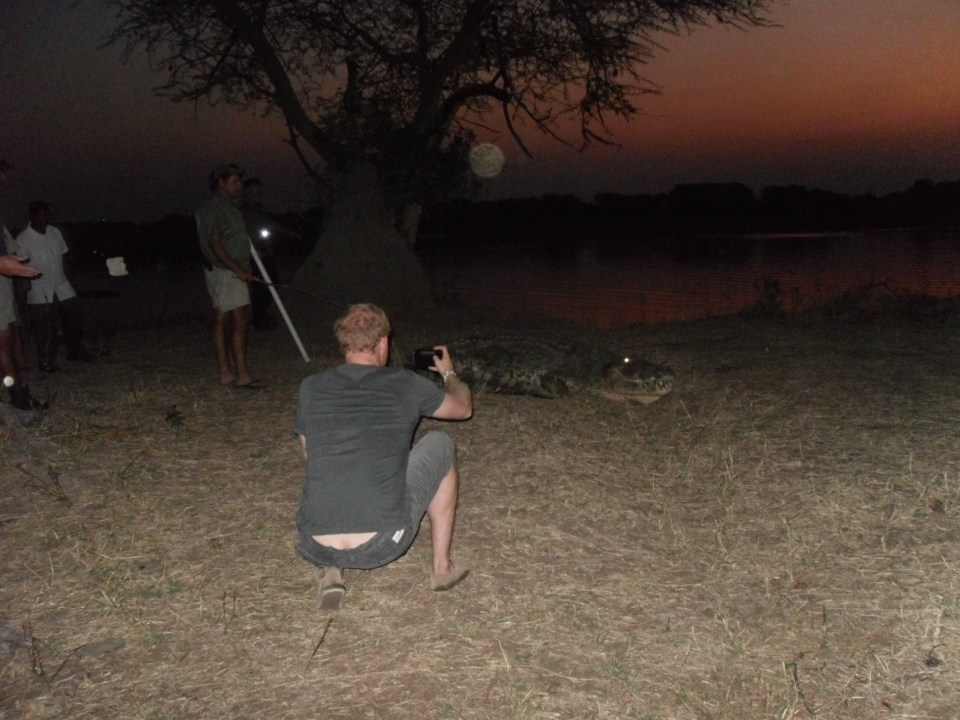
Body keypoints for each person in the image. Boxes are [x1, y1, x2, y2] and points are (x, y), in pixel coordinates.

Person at [294, 303, 473, 611]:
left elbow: (310, 456)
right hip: (382, 543)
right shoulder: (405, 384)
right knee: (440, 443)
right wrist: (449, 374)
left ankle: (332, 568)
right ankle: (442, 570)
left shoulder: (311, 388)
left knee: (330, 467)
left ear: (344, 343)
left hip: (313, 542)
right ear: (383, 343)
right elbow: (463, 408)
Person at [196, 164, 263, 389]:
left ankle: (227, 373)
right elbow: (215, 244)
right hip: (226, 272)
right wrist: (238, 269)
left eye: (239, 181)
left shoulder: (228, 207)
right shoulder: (217, 208)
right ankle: (242, 375)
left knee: (222, 318)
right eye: (234, 181)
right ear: (220, 182)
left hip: (221, 271)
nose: (239, 185)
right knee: (241, 320)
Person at [15, 201, 95, 374]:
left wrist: (71, 280)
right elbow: (19, 270)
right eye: (44, 214)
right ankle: (45, 363)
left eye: (50, 214)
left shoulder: (54, 232)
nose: (48, 218)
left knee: (75, 317)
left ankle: (75, 351)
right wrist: (23, 298)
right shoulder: (23, 239)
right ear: (33, 216)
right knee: (46, 328)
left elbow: (64, 257)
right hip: (39, 287)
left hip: (61, 282)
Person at [0, 160, 41, 409]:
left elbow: (7, 245)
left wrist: (16, 265)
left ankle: (22, 390)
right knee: (1, 342)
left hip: (3, 286)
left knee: (14, 338)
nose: (2, 183)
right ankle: (17, 399)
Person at [240, 177, 301, 331]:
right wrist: (252, 250)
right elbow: (240, 234)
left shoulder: (260, 209)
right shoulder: (243, 211)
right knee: (261, 287)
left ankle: (261, 317)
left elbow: (269, 224)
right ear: (246, 192)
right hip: (253, 256)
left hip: (265, 253)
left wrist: (287, 232)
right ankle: (259, 321)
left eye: (258, 189)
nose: (257, 192)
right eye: (253, 190)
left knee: (272, 283)